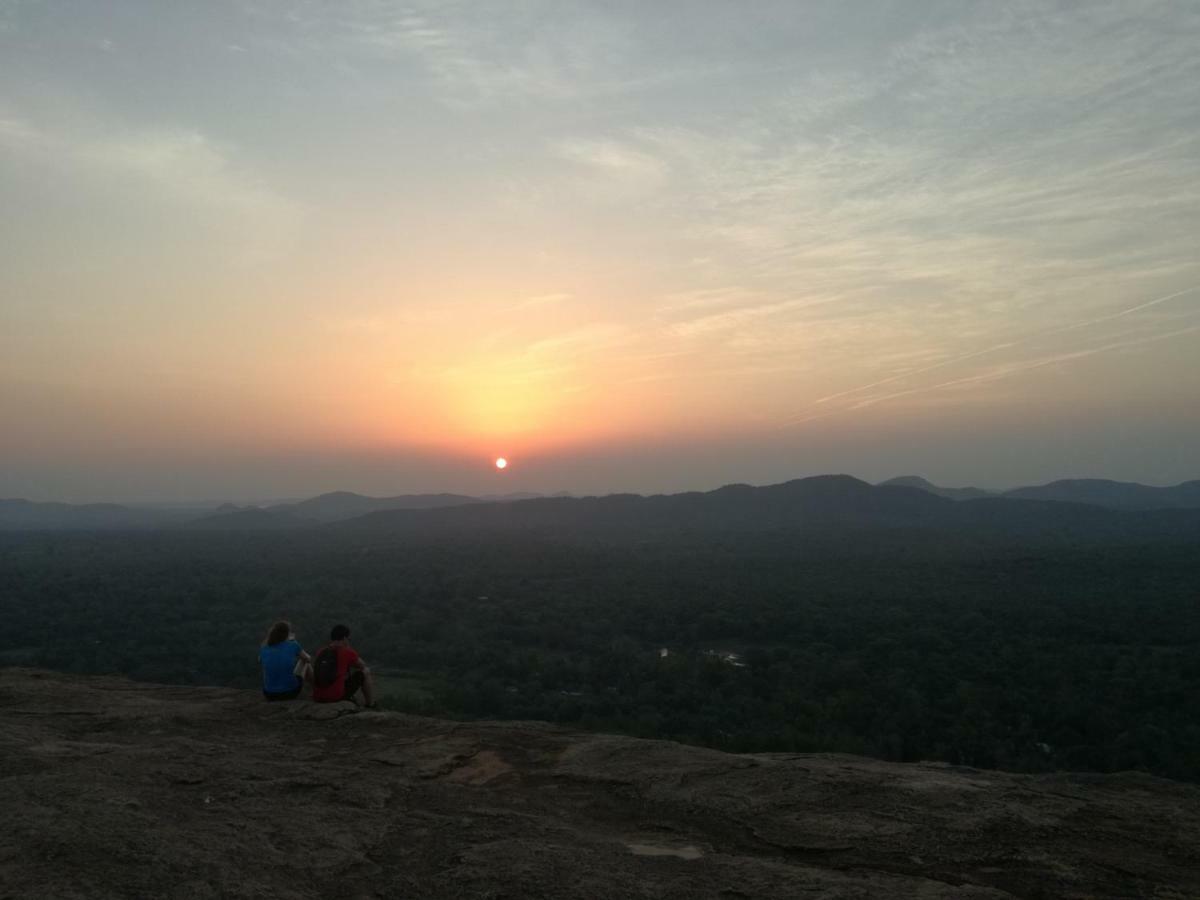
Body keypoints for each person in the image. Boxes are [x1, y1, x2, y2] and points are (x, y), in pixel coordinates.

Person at [312, 624, 375, 707]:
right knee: (366, 671)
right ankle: (370, 704)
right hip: (335, 697)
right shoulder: (347, 652)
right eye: (349, 639)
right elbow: (362, 665)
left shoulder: (321, 651)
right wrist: (349, 649)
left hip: (318, 696)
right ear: (345, 638)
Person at [259, 620, 311, 701]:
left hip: (269, 694)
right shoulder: (293, 644)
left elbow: (264, 667)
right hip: (289, 693)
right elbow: (308, 658)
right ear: (287, 634)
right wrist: (294, 641)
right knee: (304, 661)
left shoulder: (264, 648)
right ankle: (318, 689)